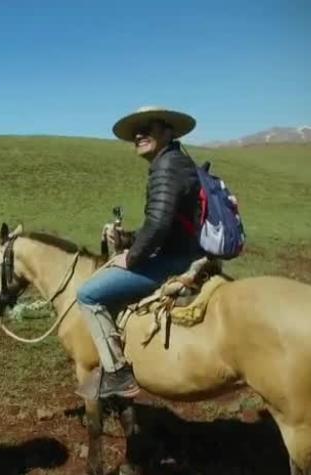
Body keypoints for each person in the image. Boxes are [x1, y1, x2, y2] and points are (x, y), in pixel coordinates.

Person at [76, 106, 204, 399]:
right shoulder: (177, 161)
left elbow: (158, 225)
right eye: (136, 130)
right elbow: (167, 223)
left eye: (149, 127)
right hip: (186, 250)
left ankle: (118, 374)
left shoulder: (166, 166)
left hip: (175, 260)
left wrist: (131, 256)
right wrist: (128, 237)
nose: (139, 134)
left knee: (88, 295)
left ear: (168, 132)